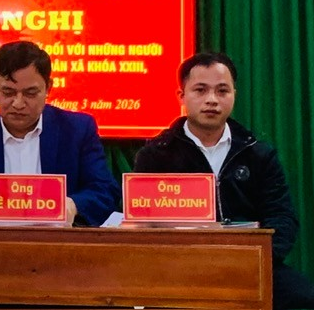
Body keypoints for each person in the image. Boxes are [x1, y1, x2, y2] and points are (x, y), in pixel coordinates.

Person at [134, 53, 314, 309]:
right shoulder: (155, 155)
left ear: (234, 95)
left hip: (251, 265)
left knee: (303, 298)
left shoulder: (258, 153)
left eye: (222, 91)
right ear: (181, 96)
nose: (212, 100)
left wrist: (253, 258)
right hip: (179, 269)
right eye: (200, 90)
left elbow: (282, 218)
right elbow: (143, 223)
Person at [0, 41, 117, 227]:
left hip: (59, 241)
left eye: (30, 93)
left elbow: (104, 190)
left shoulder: (77, 131)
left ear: (48, 87)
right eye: (8, 92)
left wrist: (73, 206)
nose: (18, 103)